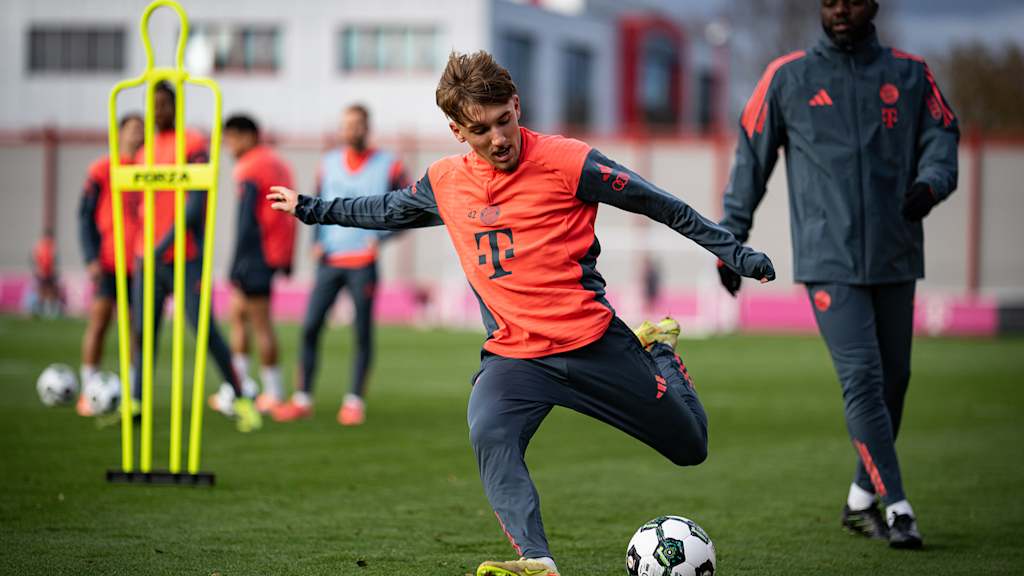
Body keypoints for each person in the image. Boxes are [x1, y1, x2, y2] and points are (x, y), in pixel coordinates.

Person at [268, 51, 775, 576]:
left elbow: (661, 203)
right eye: (480, 129)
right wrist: (311, 207)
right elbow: (385, 208)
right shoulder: (444, 181)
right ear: (457, 130)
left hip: (595, 345)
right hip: (516, 358)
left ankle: (659, 351)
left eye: (504, 120)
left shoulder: (569, 161)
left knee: (691, 448)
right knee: (489, 432)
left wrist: (734, 252)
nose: (498, 139)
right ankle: (537, 560)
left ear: (517, 104)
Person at [717, 0, 958, 550]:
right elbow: (750, 160)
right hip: (828, 260)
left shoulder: (910, 74)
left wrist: (933, 181)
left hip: (897, 253)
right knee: (864, 381)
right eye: (829, 2)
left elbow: (943, 134)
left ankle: (859, 500)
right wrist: (730, 242)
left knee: (896, 381)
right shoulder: (788, 77)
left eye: (851, 0)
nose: (841, 10)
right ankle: (898, 508)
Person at [132, 81, 262, 432]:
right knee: (142, 333)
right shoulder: (144, 151)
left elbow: (194, 206)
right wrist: (143, 249)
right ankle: (136, 403)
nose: (157, 110)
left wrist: (160, 247)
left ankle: (241, 398)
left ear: (174, 107)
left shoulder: (192, 143)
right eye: (152, 104)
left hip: (183, 258)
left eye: (163, 104)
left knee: (203, 331)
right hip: (147, 259)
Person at [271, 104, 406, 426]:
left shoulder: (390, 164)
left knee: (361, 333)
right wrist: (315, 242)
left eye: (357, 125)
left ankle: (354, 401)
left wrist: (383, 239)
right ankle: (302, 398)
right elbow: (318, 203)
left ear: (367, 127)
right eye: (346, 125)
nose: (351, 130)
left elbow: (409, 209)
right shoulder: (328, 163)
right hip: (330, 261)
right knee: (310, 328)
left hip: (363, 262)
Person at [218, 114, 296, 414]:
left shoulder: (250, 166)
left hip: (257, 253)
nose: (228, 146)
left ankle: (273, 393)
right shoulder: (277, 163)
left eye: (230, 139)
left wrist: (237, 261)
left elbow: (246, 219)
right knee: (238, 315)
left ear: (247, 136)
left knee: (260, 323)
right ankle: (237, 386)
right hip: (272, 251)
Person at [76, 113, 144, 416]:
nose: (137, 134)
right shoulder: (103, 169)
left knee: (136, 329)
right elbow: (84, 216)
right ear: (119, 134)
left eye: (141, 129)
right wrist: (91, 257)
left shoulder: (150, 170)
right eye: (131, 129)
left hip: (140, 263)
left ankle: (131, 394)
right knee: (100, 321)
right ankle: (87, 390)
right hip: (108, 261)